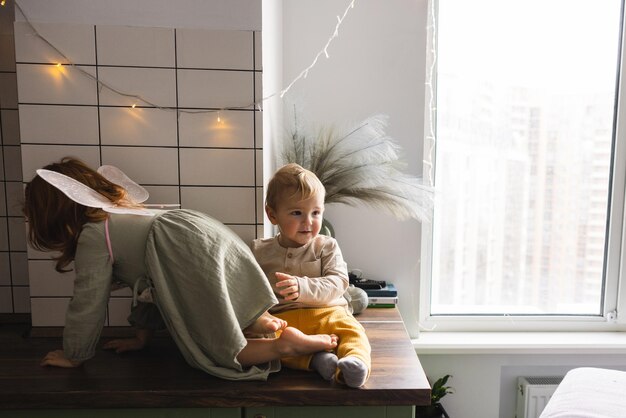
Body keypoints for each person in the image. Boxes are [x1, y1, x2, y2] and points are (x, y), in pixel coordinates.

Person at [24, 157, 337, 381]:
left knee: (217, 348)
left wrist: (75, 353)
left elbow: (87, 301)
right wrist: (141, 339)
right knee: (235, 315)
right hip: (197, 229)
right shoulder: (121, 214)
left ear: (54, 217)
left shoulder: (94, 234)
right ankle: (269, 326)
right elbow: (154, 286)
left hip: (180, 248)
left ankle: (284, 345)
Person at [251, 163, 371, 388]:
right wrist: (263, 318)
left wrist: (303, 287)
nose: (308, 222)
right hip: (285, 320)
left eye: (315, 213)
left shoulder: (326, 246)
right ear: (272, 214)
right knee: (272, 345)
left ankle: (355, 362)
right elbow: (250, 291)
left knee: (352, 331)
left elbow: (339, 282)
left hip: (327, 312)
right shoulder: (258, 250)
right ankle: (316, 360)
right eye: (297, 213)